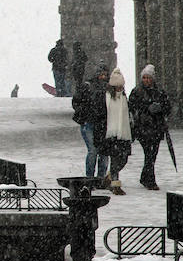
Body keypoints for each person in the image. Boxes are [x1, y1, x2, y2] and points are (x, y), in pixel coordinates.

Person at [128, 64, 171, 191]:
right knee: (149, 153)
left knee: (153, 154)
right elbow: (132, 106)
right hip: (143, 128)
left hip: (157, 128)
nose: (146, 80)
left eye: (149, 78)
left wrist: (160, 108)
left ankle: (145, 177)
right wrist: (146, 109)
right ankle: (150, 181)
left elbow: (168, 107)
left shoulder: (160, 92)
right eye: (144, 78)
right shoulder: (137, 91)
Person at [92, 67, 132, 195]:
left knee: (123, 158)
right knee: (115, 159)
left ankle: (109, 178)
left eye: (121, 85)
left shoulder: (124, 98)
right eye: (117, 86)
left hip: (123, 133)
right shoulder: (105, 97)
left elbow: (127, 116)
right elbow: (99, 116)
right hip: (110, 133)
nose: (119, 88)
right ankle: (115, 185)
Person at [73, 63, 110, 182]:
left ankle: (100, 178)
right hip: (90, 122)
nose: (103, 77)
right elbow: (76, 102)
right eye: (101, 74)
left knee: (102, 152)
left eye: (105, 74)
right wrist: (84, 113)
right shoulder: (88, 86)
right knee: (94, 151)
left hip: (103, 124)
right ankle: (91, 178)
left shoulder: (110, 88)